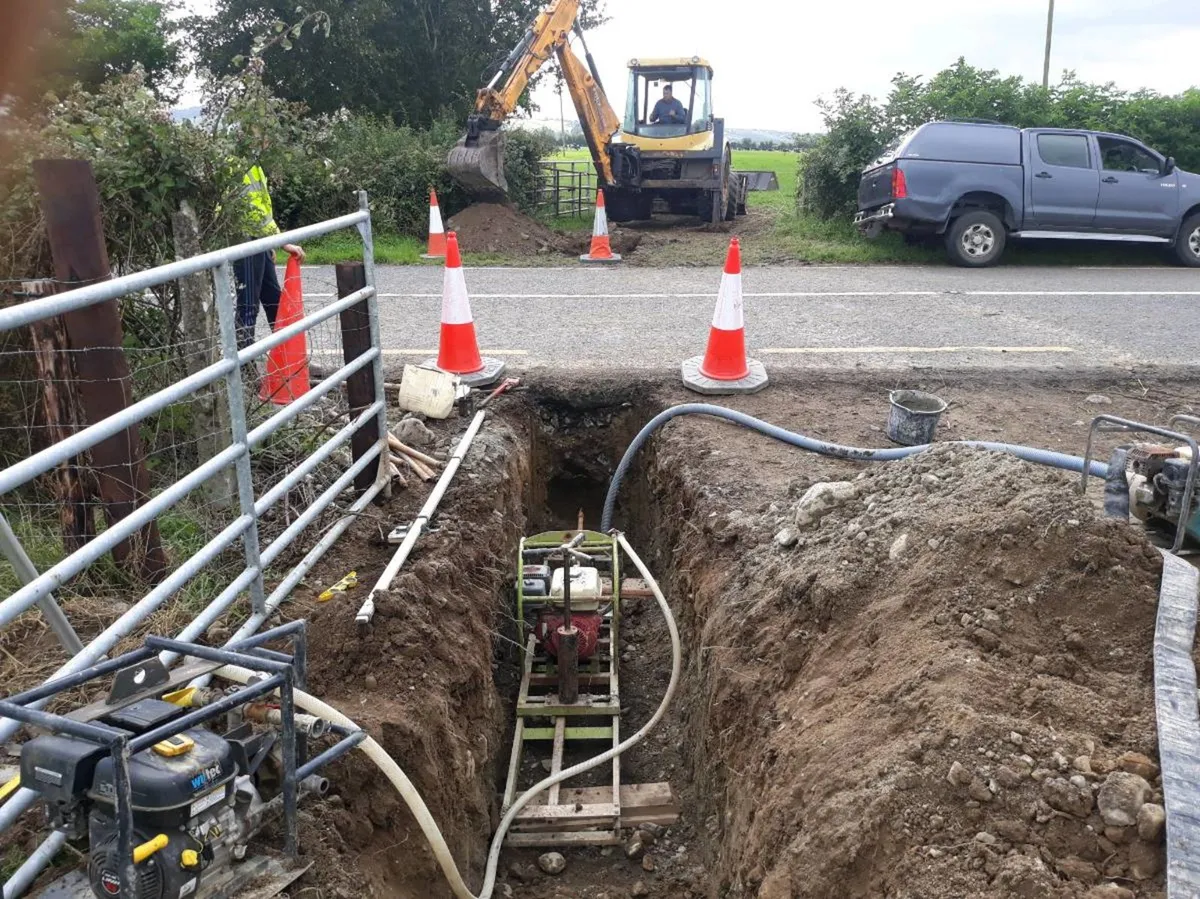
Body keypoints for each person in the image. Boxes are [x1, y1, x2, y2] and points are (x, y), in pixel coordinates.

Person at [236, 162, 304, 349]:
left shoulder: (254, 164)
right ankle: (244, 367)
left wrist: (269, 242)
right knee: (248, 307)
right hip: (246, 243)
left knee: (274, 298)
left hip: (259, 241)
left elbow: (262, 212)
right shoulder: (241, 164)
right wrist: (281, 242)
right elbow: (253, 213)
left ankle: (287, 357)